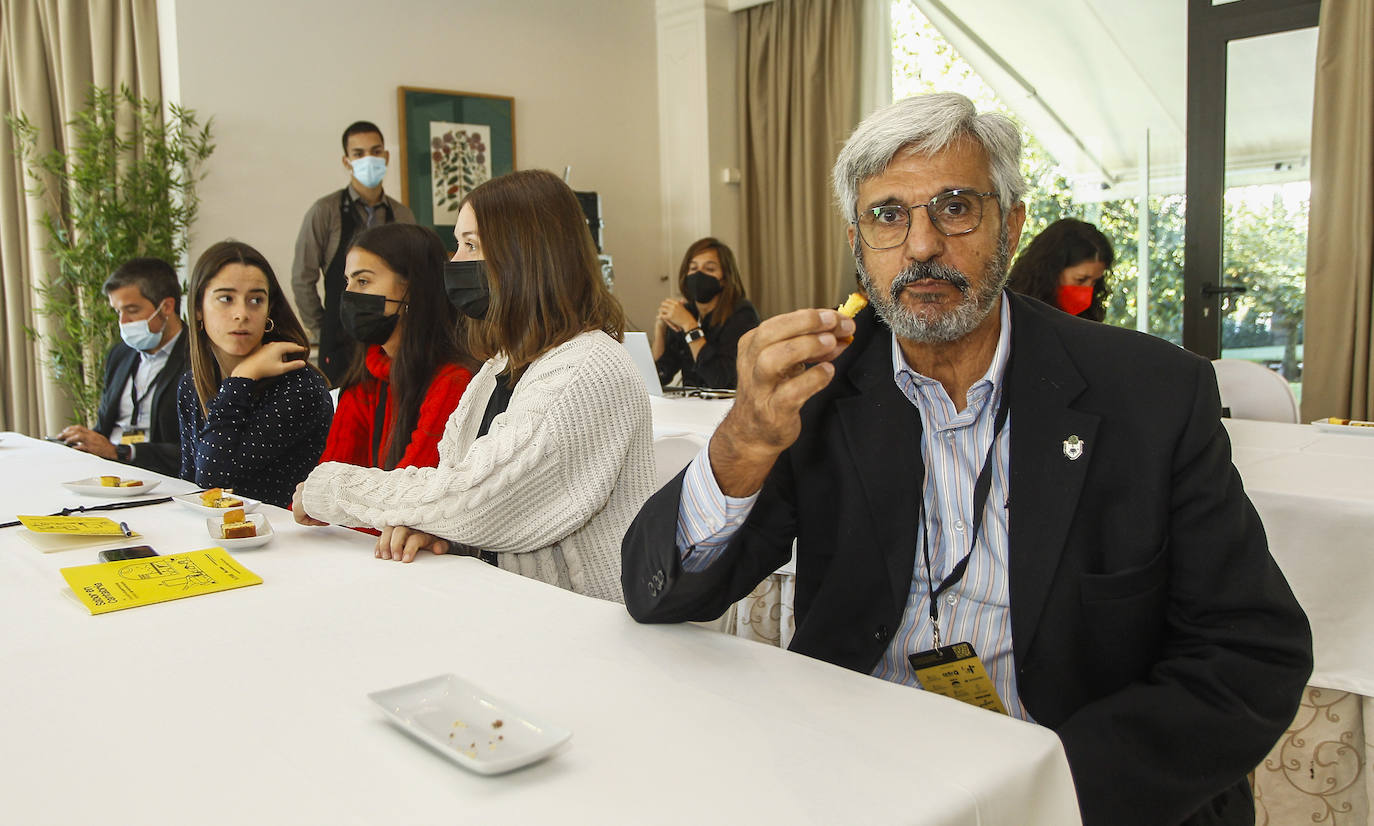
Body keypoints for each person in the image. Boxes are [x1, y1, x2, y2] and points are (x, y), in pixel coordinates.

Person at [620, 93, 1311, 826]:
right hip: (859, 770)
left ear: (1010, 226)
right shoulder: (821, 391)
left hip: (1070, 783)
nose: (920, 246)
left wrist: (1038, 793)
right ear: (859, 245)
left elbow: (1249, 654)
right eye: (888, 215)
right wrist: (742, 443)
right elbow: (660, 594)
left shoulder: (1151, 394)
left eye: (954, 209)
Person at [295, 169, 654, 603]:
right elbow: (459, 489)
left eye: (471, 245)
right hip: (511, 604)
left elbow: (476, 499)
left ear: (524, 256)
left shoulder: (587, 368)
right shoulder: (501, 364)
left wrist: (334, 489)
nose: (455, 263)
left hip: (585, 622)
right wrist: (435, 531)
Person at [177, 241, 333, 508]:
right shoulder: (192, 383)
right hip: (223, 535)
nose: (242, 314)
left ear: (268, 311)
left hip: (290, 541)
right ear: (198, 309)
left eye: (256, 300)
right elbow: (190, 482)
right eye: (226, 299)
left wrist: (242, 377)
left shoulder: (299, 386)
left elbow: (213, 475)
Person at [317, 223, 474, 473]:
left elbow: (409, 488)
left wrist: (326, 497)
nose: (349, 294)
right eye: (348, 281)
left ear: (411, 289)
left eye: (363, 281)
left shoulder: (453, 380)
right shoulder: (366, 376)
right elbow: (328, 475)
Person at [293, 120, 416, 386]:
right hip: (340, 343)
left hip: (392, 341)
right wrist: (323, 328)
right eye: (359, 154)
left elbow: (416, 276)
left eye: (375, 151)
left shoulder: (403, 215)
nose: (368, 159)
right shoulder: (324, 212)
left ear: (386, 156)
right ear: (347, 161)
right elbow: (302, 277)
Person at [58, 257, 188, 476]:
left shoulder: (200, 358)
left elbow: (196, 450)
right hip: (108, 471)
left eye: (132, 310)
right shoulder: (120, 354)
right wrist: (83, 441)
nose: (123, 321)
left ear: (166, 306)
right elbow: (104, 428)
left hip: (159, 478)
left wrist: (122, 452)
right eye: (118, 311)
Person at [652, 237, 759, 388]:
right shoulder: (687, 311)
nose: (699, 275)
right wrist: (660, 329)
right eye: (693, 268)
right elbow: (658, 376)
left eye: (709, 269)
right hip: (692, 406)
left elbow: (719, 379)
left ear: (725, 278)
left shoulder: (742, 313)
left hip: (728, 407)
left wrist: (689, 325)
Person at [1007, 218, 1114, 321]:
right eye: (1080, 280)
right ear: (1051, 271)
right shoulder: (1010, 314)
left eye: (1094, 282)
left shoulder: (1088, 320)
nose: (1088, 294)